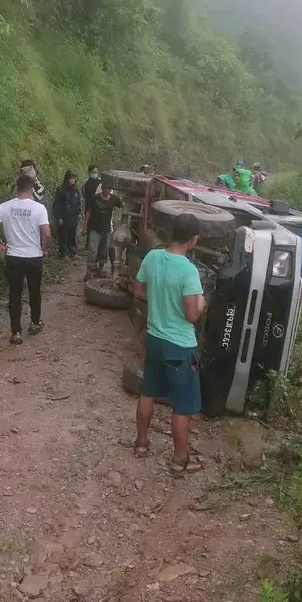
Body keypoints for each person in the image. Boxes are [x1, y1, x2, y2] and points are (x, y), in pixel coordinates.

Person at [133, 213, 205, 475]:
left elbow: (138, 291)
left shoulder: (152, 257)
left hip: (154, 338)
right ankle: (179, 460)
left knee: (148, 391)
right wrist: (202, 304)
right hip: (180, 345)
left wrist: (159, 301)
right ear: (193, 240)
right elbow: (191, 315)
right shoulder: (189, 270)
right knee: (182, 405)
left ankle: (141, 444)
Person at [0, 175, 51, 345]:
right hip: (34, 256)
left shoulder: (5, 207)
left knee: (15, 294)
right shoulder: (39, 208)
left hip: (13, 257)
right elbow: (47, 233)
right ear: (31, 189)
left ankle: (16, 332)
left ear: (17, 189)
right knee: (34, 291)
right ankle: (35, 323)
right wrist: (45, 248)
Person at [89, 183, 123, 273]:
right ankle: (89, 271)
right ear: (102, 188)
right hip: (94, 228)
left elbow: (122, 206)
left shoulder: (113, 199)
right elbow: (89, 212)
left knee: (104, 252)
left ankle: (100, 270)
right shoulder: (95, 198)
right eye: (105, 188)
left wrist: (119, 223)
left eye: (109, 188)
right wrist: (85, 226)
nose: (107, 190)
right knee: (93, 251)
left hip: (106, 229)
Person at [53, 170, 81, 258]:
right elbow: (57, 204)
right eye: (71, 179)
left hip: (73, 216)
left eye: (74, 179)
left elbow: (78, 202)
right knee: (63, 235)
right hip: (64, 216)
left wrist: (79, 213)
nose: (73, 180)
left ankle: (72, 251)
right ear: (67, 179)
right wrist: (59, 217)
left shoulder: (75, 190)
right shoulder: (61, 190)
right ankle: (63, 253)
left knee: (72, 234)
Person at [82, 165, 100, 249]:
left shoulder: (100, 182)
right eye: (93, 172)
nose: (94, 174)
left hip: (98, 207)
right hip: (88, 206)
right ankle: (88, 244)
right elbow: (84, 194)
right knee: (88, 225)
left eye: (96, 172)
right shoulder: (86, 183)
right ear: (89, 173)